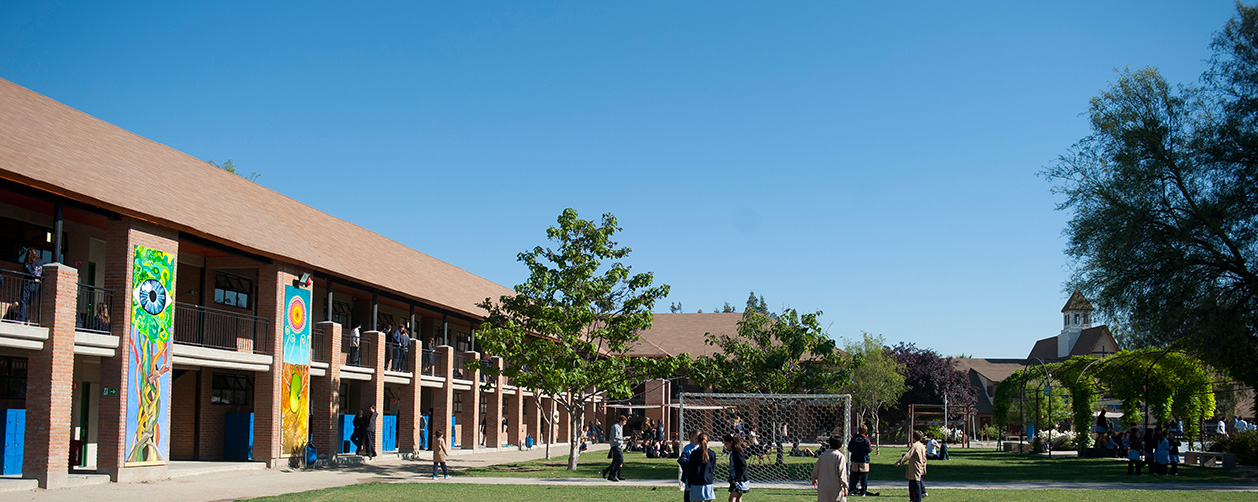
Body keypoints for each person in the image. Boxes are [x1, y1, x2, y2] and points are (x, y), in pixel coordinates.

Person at [811, 436, 849, 502]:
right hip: (835, 485)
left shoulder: (823, 455)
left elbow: (816, 469)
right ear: (841, 446)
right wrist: (845, 486)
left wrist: (814, 478)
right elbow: (842, 473)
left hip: (823, 485)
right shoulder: (840, 456)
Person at [893, 430, 928, 502]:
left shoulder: (915, 446)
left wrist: (900, 462)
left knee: (915, 485)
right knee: (914, 483)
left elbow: (907, 455)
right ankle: (913, 499)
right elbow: (924, 457)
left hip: (915, 467)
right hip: (921, 466)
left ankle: (915, 499)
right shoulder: (922, 446)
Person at [685, 432, 718, 502]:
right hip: (708, 482)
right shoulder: (712, 453)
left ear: (698, 441)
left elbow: (691, 469)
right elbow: (713, 468)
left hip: (696, 482)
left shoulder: (694, 453)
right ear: (708, 441)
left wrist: (689, 482)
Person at [847, 424, 873, 497]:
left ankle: (852, 490)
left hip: (855, 460)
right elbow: (869, 449)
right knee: (864, 477)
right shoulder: (866, 440)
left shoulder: (854, 438)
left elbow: (849, 448)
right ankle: (863, 491)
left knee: (854, 476)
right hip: (864, 461)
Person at [18, 248, 42, 323]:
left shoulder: (28, 262)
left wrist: (34, 276)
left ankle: (22, 319)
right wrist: (38, 277)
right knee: (29, 302)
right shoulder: (40, 262)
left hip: (28, 283)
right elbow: (41, 270)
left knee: (23, 300)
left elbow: (30, 272)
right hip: (36, 285)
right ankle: (31, 319)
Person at [724, 434, 750, 502]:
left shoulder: (737, 452)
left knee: (732, 499)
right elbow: (735, 466)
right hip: (736, 478)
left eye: (726, 444)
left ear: (731, 442)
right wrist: (730, 475)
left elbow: (743, 466)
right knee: (738, 498)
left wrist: (737, 478)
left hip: (739, 480)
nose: (725, 447)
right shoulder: (733, 452)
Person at [602, 415, 627, 481]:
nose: (625, 424)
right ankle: (612, 474)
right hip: (615, 445)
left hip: (619, 445)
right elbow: (615, 437)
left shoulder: (620, 427)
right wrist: (624, 438)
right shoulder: (615, 427)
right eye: (624, 422)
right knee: (620, 460)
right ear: (621, 421)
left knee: (615, 461)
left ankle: (608, 473)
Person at [680, 430, 702, 502]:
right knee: (688, 494)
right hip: (690, 475)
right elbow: (683, 460)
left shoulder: (702, 448)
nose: (697, 440)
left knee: (698, 495)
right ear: (691, 438)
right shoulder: (687, 448)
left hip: (699, 475)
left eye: (699, 439)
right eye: (696, 438)